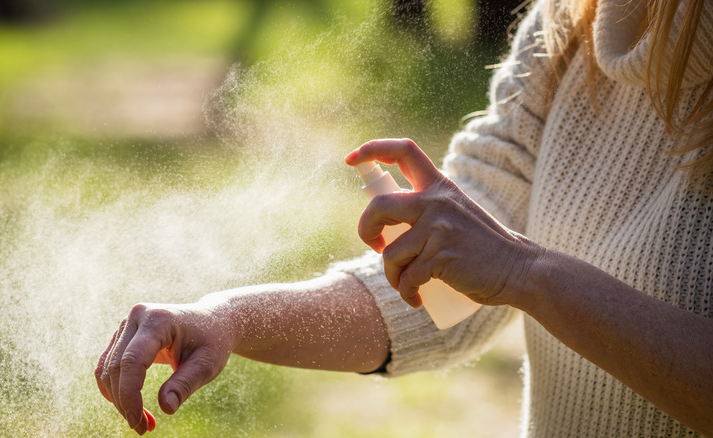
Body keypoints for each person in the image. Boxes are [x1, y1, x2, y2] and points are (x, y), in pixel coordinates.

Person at [95, 0, 713, 435]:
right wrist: (226, 319)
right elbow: (444, 297)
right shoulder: (569, 22)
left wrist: (529, 273)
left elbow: (504, 266)